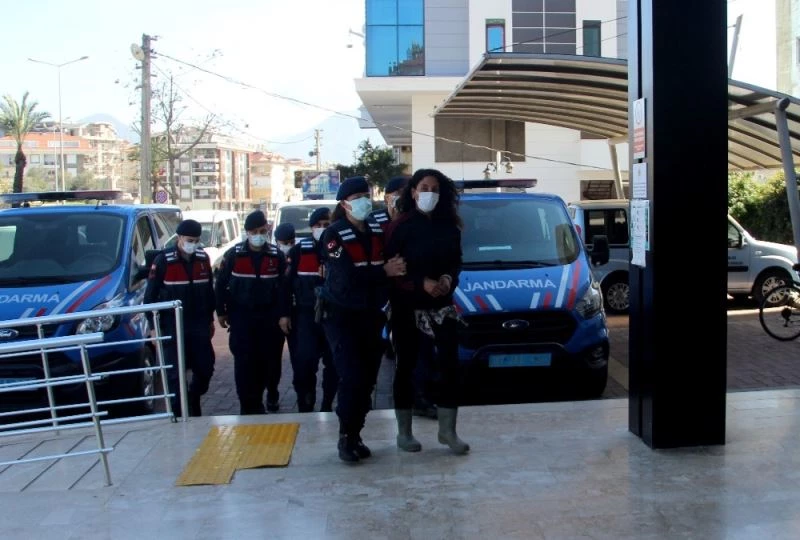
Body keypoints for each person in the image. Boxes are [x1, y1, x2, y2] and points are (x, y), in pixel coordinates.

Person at [318, 176, 406, 462]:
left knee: (368, 379)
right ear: (344, 204)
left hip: (371, 315)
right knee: (352, 376)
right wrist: (384, 273)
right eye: (357, 197)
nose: (363, 201)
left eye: (366, 195)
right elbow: (345, 277)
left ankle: (356, 433)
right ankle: (346, 437)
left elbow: (395, 257)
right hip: (341, 316)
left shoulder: (378, 228)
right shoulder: (332, 236)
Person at [385, 168, 469, 455]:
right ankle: (404, 432)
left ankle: (448, 431)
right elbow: (391, 268)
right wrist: (422, 282)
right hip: (407, 306)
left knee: (449, 366)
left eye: (435, 188)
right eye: (424, 187)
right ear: (413, 192)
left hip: (442, 307)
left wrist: (447, 279)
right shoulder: (400, 227)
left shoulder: (449, 227)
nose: (429, 193)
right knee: (406, 366)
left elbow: (456, 262)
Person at [215, 210, 290, 415]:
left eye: (262, 230)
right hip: (242, 318)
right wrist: (220, 311)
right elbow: (220, 285)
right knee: (245, 363)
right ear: (247, 232)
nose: (259, 235)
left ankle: (271, 391)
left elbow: (284, 288)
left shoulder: (276, 256)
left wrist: (284, 315)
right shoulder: (234, 255)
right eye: (254, 231)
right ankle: (249, 405)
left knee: (270, 363)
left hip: (270, 318)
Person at [144, 219, 216, 417]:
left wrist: (210, 319)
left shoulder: (203, 259)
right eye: (189, 240)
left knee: (205, 368)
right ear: (179, 238)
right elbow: (149, 298)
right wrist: (152, 327)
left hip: (198, 325)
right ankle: (179, 415)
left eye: (196, 240)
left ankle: (193, 397)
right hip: (171, 326)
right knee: (175, 375)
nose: (193, 244)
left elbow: (209, 292)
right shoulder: (163, 260)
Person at [282, 207, 337, 412]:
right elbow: (286, 286)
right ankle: (306, 401)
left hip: (333, 314)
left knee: (334, 363)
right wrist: (284, 314)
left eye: (327, 225)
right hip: (306, 315)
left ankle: (327, 403)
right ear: (312, 227)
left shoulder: (338, 247)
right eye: (319, 225)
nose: (323, 229)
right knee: (305, 361)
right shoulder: (298, 251)